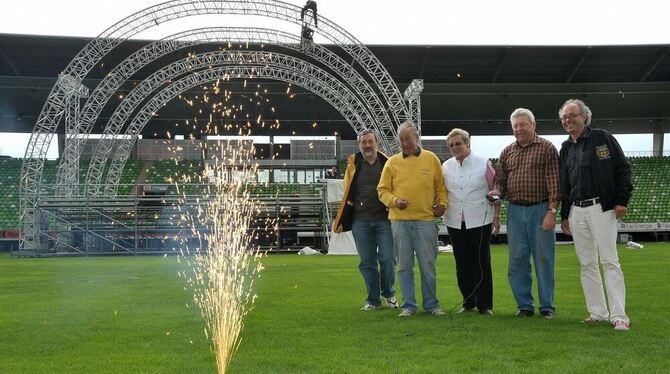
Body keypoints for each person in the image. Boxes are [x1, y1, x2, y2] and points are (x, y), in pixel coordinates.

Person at [558, 99, 633, 331]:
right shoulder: (565, 147)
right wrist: (565, 214)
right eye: (564, 117)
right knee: (587, 264)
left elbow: (622, 168)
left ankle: (619, 316)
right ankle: (597, 311)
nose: (568, 120)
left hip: (602, 207)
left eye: (573, 115)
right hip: (576, 209)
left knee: (609, 260)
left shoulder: (603, 138)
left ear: (585, 117)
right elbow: (565, 182)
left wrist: (621, 200)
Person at [490, 108, 561, 319]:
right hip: (514, 210)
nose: (519, 129)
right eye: (516, 126)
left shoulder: (547, 148)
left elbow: (554, 183)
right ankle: (524, 306)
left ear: (533, 124)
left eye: (523, 124)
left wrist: (552, 211)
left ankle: (547, 306)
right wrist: (496, 191)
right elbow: (500, 181)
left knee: (543, 259)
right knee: (517, 260)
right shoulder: (507, 152)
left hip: (540, 208)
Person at [377, 121, 448, 317]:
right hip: (399, 221)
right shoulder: (392, 162)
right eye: (401, 140)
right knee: (404, 265)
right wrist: (394, 201)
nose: (405, 143)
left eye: (408, 139)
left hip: (426, 221)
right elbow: (382, 191)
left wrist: (442, 204)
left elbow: (440, 187)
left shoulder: (431, 158)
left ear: (417, 138)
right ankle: (409, 305)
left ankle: (432, 305)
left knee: (428, 265)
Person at [333, 129, 397, 310]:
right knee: (367, 262)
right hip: (360, 222)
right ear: (359, 144)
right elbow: (347, 191)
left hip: (385, 220)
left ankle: (389, 293)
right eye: (364, 142)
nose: (367, 145)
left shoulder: (388, 164)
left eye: (370, 141)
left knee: (388, 259)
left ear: (377, 143)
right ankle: (372, 300)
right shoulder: (353, 165)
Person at [442, 128, 500, 316]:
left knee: (481, 262)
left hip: (480, 218)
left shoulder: (484, 163)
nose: (455, 147)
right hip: (455, 220)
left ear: (467, 143)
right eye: (451, 145)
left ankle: (485, 305)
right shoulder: (446, 166)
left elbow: (496, 189)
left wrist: (497, 217)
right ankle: (468, 303)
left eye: (458, 143)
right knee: (462, 263)